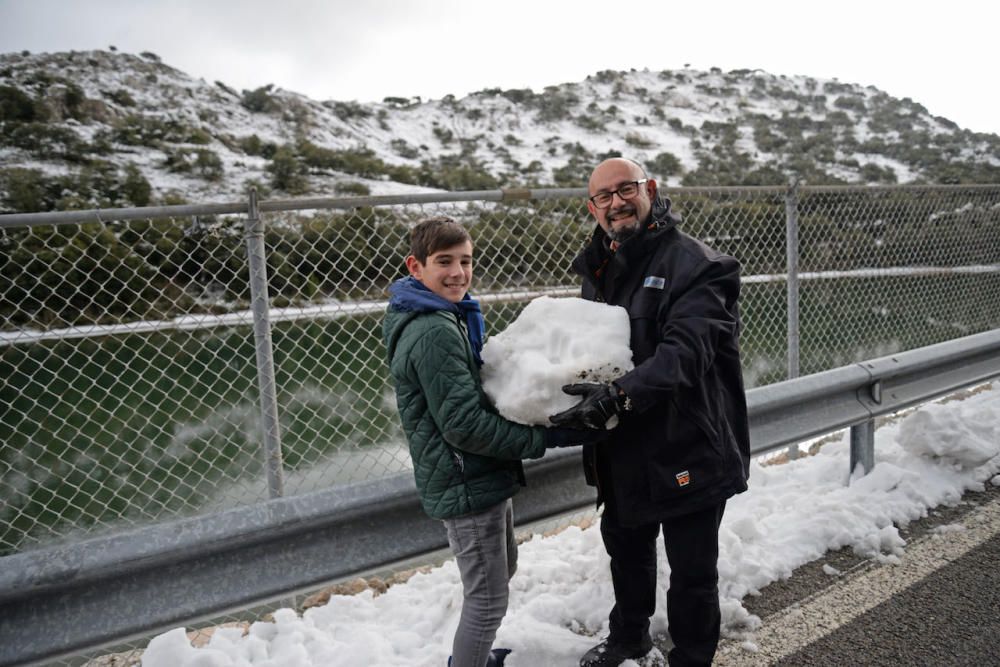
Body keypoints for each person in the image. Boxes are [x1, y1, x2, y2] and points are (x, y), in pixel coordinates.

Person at [550, 158, 751, 667]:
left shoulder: (701, 265)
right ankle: (628, 641)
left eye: (627, 189)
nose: (616, 202)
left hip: (687, 441)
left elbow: (687, 352)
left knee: (692, 573)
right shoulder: (596, 268)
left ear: (651, 190)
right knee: (627, 552)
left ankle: (692, 657)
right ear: (592, 208)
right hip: (622, 446)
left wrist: (619, 397)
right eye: (604, 196)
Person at [382, 216, 600, 667]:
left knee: (498, 578)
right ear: (415, 266)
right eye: (444, 262)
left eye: (466, 261)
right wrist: (551, 434)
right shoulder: (433, 330)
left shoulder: (444, 314)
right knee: (487, 602)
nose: (459, 272)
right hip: (467, 479)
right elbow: (464, 426)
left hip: (479, 473)